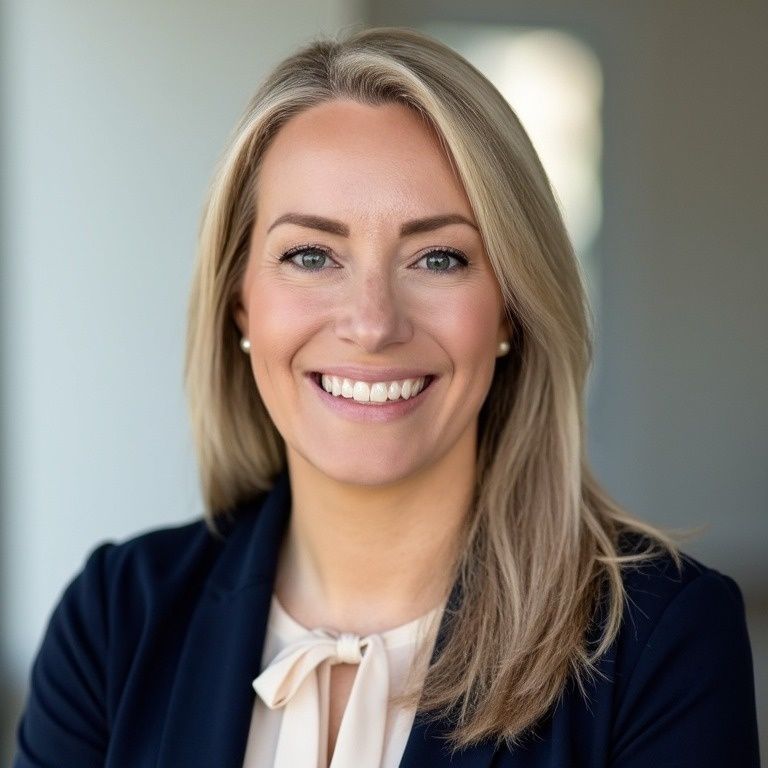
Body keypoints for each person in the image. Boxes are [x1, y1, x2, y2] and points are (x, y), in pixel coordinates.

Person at [12, 26, 760, 768]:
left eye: (439, 257)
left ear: (509, 308)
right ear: (241, 302)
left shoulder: (663, 640)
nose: (372, 324)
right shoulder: (114, 620)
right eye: (311, 255)